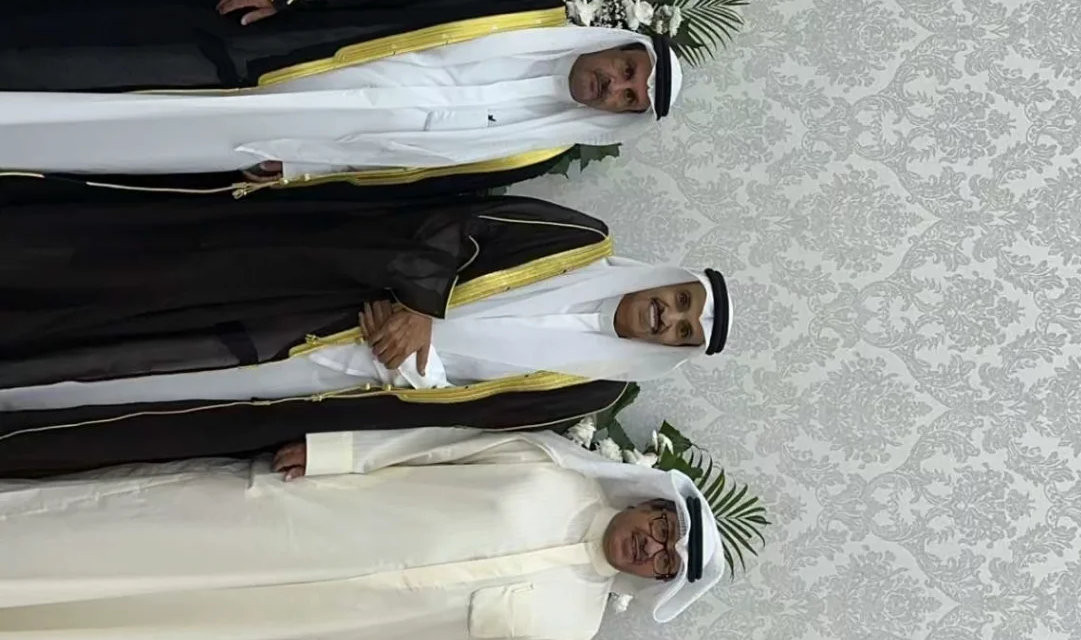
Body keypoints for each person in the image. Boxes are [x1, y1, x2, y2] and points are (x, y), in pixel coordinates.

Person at [0, 178, 733, 472]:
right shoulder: (579, 241)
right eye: (680, 301)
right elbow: (461, 221)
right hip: (317, 297)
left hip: (337, 390)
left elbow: (467, 428)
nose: (668, 317)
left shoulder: (593, 391)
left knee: (151, 396)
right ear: (669, 278)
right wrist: (420, 307)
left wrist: (413, 366)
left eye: (680, 331)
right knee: (136, 327)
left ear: (671, 349)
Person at [0, 422, 726, 640]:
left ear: (655, 581)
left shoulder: (569, 626)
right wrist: (334, 454)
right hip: (290, 524)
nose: (654, 547)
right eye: (664, 528)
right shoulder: (550, 469)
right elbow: (432, 447)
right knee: (119, 535)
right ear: (652, 502)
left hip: (316, 618)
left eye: (666, 562)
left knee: (149, 626)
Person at [0, 0, 681, 184]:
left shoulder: (533, 152)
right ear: (618, 43)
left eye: (629, 98)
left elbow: (409, 185)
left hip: (267, 141)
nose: (616, 85)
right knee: (76, 59)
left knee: (103, 140)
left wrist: (301, 171)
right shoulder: (524, 6)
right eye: (628, 69)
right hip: (274, 52)